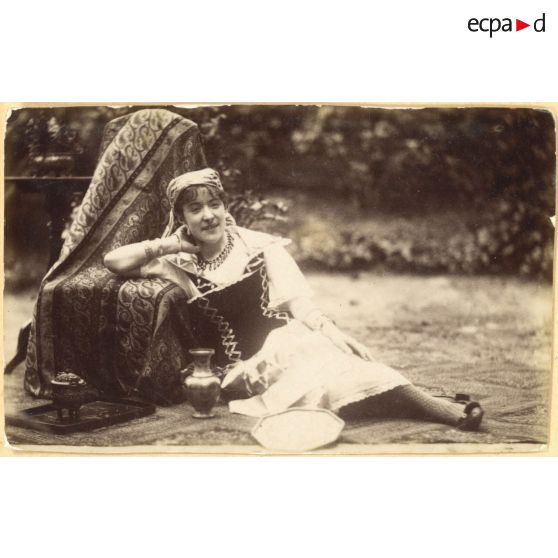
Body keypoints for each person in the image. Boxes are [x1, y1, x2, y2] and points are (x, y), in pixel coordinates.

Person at [104, 167, 484, 429]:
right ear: (182, 217)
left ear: (225, 206)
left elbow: (299, 305)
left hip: (287, 343)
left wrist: (333, 332)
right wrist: (168, 244)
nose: (208, 215)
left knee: (322, 359)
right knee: (313, 369)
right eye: (195, 208)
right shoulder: (176, 263)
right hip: (240, 371)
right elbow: (113, 261)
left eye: (214, 204)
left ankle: (430, 406)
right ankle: (424, 402)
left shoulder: (258, 246)